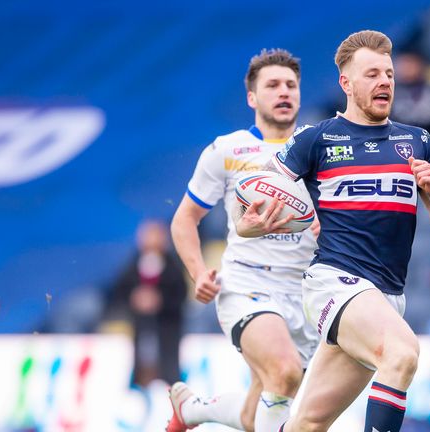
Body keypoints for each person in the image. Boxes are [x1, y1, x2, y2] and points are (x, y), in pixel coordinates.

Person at [236, 30, 430, 432]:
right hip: (335, 283)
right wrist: (249, 225)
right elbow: (253, 198)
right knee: (403, 353)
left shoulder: (418, 141)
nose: (385, 82)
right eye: (373, 73)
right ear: (346, 83)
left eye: (389, 74)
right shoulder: (316, 139)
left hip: (386, 297)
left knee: (307, 424)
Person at [166, 49, 319, 432]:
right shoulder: (228, 150)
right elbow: (185, 218)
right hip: (249, 282)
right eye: (272, 85)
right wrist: (198, 272)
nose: (284, 92)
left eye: (291, 85)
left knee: (259, 412)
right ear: (252, 97)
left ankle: (193, 410)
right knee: (284, 374)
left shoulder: (319, 150)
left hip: (306, 291)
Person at [108, 219, 188, 387]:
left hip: (167, 328)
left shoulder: (172, 266)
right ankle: (139, 384)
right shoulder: (133, 264)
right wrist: (135, 298)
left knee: (168, 365)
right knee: (141, 360)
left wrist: (160, 301)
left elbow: (180, 294)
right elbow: (120, 291)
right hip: (141, 327)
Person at [390, 51, 430, 160]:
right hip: (397, 142)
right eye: (404, 64)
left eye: (411, 64)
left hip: (429, 141)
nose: (406, 68)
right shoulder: (391, 90)